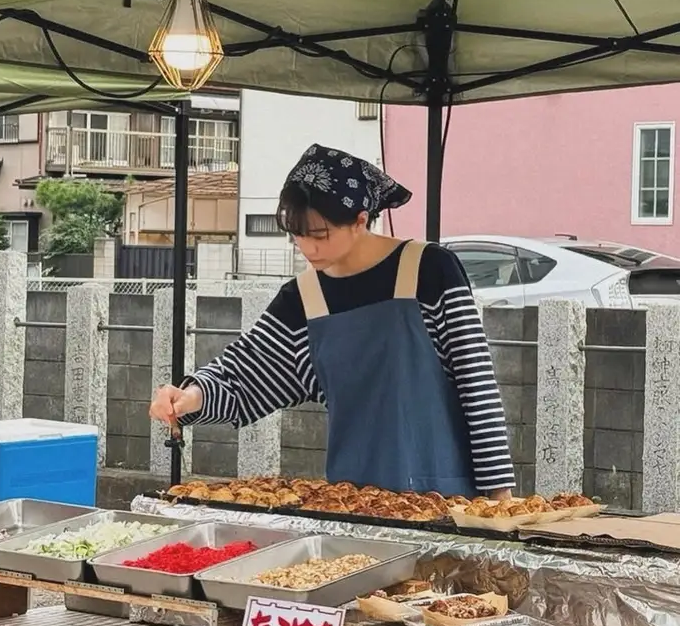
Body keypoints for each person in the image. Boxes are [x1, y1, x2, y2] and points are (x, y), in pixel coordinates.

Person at [151, 144, 515, 498]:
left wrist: (500, 500)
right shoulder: (303, 299)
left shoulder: (430, 270)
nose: (308, 248)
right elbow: (245, 377)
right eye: (298, 236)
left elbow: (477, 387)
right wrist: (189, 397)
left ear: (360, 220)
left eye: (320, 235)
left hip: (449, 500)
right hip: (351, 502)